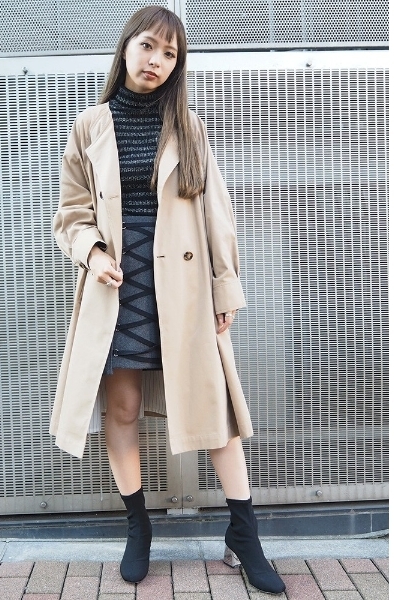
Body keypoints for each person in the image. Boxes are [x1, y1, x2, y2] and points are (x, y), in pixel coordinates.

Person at [49, 5, 285, 595]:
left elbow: (216, 214)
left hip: (183, 286)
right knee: (123, 409)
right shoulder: (90, 125)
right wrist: (92, 252)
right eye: (148, 46)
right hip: (118, 286)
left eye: (170, 53)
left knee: (215, 412)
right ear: (127, 47)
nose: (156, 60)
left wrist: (225, 287)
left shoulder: (188, 125)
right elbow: (71, 212)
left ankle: (245, 535)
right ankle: (139, 528)